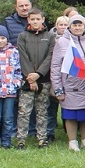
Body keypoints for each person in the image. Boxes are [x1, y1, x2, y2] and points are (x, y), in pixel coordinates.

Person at [53, 14, 85, 151]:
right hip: (71, 85)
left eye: (80, 24)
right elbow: (56, 66)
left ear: (84, 26)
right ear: (70, 26)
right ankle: (72, 141)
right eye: (74, 25)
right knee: (71, 114)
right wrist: (58, 88)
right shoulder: (62, 42)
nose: (77, 27)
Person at [14, 8, 55, 149]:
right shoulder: (23, 36)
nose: (35, 21)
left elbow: (50, 57)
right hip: (27, 79)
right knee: (24, 111)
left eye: (38, 19)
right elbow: (22, 57)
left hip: (43, 79)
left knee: (42, 110)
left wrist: (39, 74)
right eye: (32, 19)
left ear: (42, 19)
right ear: (28, 20)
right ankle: (21, 140)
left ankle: (42, 139)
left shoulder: (50, 36)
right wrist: (30, 77)